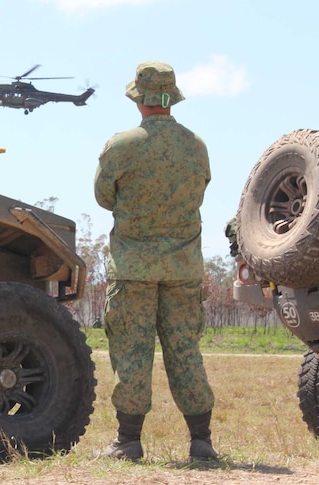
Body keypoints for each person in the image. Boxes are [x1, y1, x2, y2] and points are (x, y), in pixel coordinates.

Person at [94, 61, 217, 461]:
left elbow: (104, 197)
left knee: (132, 353)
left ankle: (128, 441)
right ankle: (202, 442)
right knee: (185, 351)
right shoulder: (196, 145)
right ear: (170, 97)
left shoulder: (121, 146)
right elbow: (199, 193)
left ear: (139, 99)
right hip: (183, 270)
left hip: (133, 269)